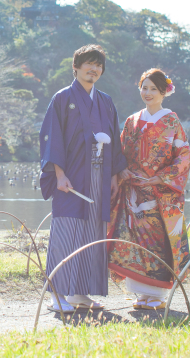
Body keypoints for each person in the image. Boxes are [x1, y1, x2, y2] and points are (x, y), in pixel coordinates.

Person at [39, 44, 127, 312]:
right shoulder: (63, 98)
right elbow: (51, 137)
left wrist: (113, 174)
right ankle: (57, 295)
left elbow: (114, 139)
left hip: (99, 176)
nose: (94, 69)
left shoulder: (106, 101)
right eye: (89, 64)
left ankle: (80, 293)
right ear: (75, 67)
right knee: (66, 232)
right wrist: (59, 174)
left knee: (92, 232)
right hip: (71, 176)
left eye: (98, 65)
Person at [108, 68, 190, 310]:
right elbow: (120, 150)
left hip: (159, 193)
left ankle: (157, 295)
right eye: (144, 87)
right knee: (135, 240)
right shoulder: (132, 121)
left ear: (164, 91)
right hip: (133, 191)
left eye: (153, 88)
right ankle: (140, 293)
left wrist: (160, 178)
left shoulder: (171, 120)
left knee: (157, 241)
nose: (148, 93)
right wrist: (121, 169)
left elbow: (183, 156)